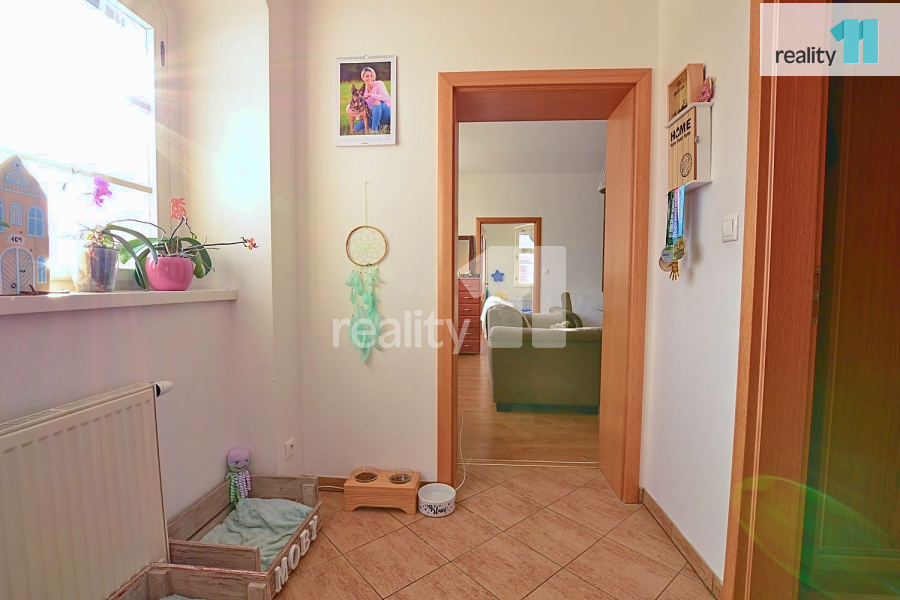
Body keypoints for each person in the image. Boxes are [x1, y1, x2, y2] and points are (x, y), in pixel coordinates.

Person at [346, 66, 392, 134]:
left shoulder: (379, 84)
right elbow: (354, 101)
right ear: (363, 78)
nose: (369, 78)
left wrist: (370, 95)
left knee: (377, 102)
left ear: (374, 77)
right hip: (373, 117)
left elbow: (385, 97)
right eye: (367, 76)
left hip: (387, 115)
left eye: (371, 76)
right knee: (356, 130)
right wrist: (348, 110)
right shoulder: (363, 92)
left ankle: (374, 130)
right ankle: (379, 126)